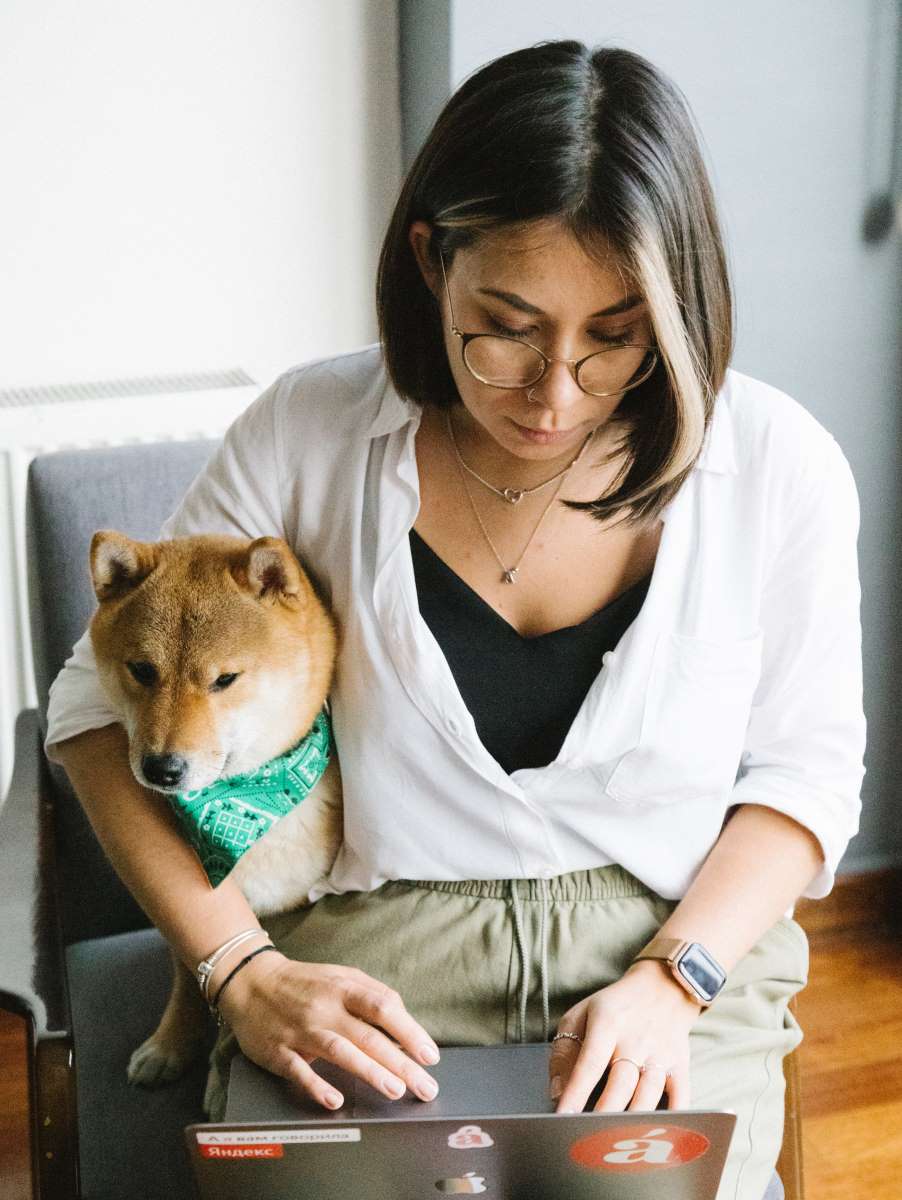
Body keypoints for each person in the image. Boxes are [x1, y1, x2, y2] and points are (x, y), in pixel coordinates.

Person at [45, 41, 864, 1200]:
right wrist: (237, 967)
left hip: (671, 943)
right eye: (507, 325)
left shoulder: (778, 464)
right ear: (431, 261)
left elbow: (805, 777)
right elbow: (88, 705)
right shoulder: (308, 431)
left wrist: (673, 981)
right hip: (374, 937)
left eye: (615, 335)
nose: (554, 393)